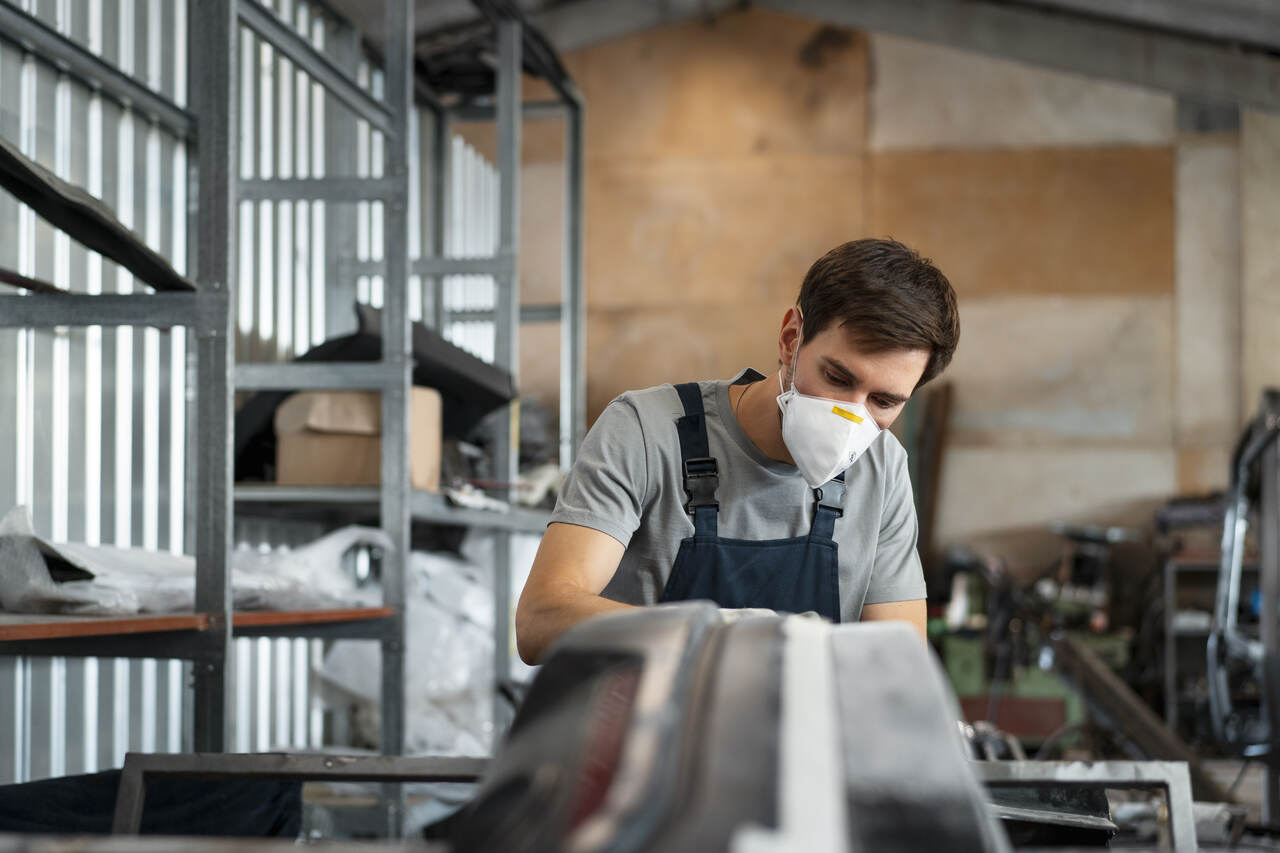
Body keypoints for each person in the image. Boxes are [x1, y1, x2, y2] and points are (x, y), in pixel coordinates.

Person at [515, 238, 960, 664]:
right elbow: (540, 620)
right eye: (837, 378)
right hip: (639, 735)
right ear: (791, 339)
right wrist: (728, 635)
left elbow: (898, 664)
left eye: (883, 402)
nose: (851, 416)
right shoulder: (646, 431)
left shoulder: (882, 468)